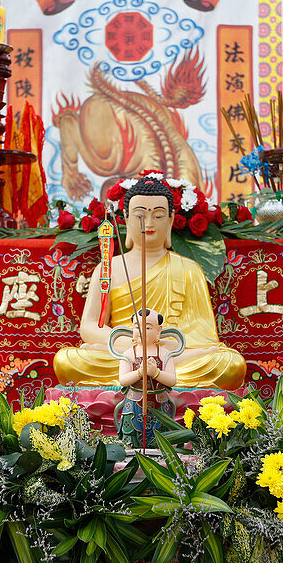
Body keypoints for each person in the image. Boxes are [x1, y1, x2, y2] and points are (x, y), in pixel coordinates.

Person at [53, 176, 245, 389]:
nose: (149, 223)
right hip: (123, 354)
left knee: (229, 364)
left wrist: (162, 349)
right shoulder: (109, 268)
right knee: (67, 361)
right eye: (140, 215)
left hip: (174, 355)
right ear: (126, 217)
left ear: (171, 220)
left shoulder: (190, 269)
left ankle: (159, 374)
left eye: (159, 215)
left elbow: (204, 336)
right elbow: (90, 327)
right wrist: (135, 347)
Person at [116, 308, 177, 448]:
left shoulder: (164, 353)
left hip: (159, 404)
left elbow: (172, 380)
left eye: (148, 327)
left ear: (159, 330)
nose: (142, 331)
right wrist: (139, 372)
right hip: (134, 404)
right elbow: (123, 380)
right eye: (138, 327)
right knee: (132, 438)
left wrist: (156, 373)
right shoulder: (128, 354)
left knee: (159, 438)